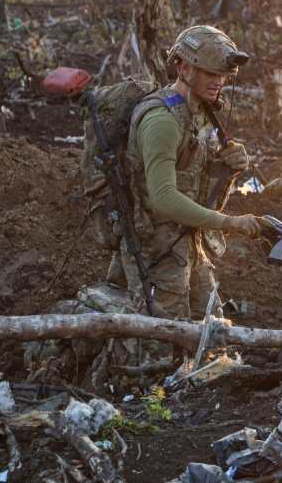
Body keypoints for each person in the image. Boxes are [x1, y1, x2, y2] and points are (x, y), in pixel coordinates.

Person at [108, 25, 267, 321]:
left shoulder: (203, 116)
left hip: (189, 245)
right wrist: (229, 223)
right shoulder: (162, 121)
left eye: (222, 75)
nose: (219, 82)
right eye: (210, 73)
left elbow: (200, 192)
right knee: (158, 349)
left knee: (212, 336)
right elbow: (164, 198)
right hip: (155, 253)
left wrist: (229, 169)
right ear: (184, 67)